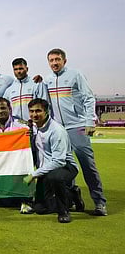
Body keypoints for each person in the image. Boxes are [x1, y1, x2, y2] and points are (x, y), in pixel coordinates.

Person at [45, 48, 107, 216]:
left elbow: (88, 97)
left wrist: (89, 121)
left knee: (87, 166)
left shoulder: (75, 75)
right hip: (59, 131)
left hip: (78, 126)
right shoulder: (47, 81)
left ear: (64, 61)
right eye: (51, 60)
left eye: (57, 59)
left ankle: (100, 203)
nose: (54, 63)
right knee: (64, 168)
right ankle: (72, 197)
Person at [24, 98, 81, 223]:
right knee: (40, 208)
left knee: (55, 178)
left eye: (38, 111)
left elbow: (59, 161)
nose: (34, 114)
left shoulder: (57, 131)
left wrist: (34, 174)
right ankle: (72, 195)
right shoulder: (33, 128)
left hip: (65, 167)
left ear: (46, 111)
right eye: (31, 111)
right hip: (46, 171)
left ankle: (63, 211)